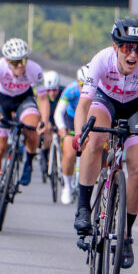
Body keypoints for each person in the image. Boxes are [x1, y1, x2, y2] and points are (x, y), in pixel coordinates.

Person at [73, 17, 138, 269]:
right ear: (116, 46)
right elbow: (84, 105)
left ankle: (126, 235)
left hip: (137, 107)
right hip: (106, 101)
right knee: (95, 138)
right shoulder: (101, 60)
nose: (132, 53)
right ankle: (84, 208)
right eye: (126, 47)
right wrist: (78, 135)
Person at [0, 38, 51, 216]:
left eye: (23, 61)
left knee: (32, 128)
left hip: (23, 100)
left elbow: (42, 98)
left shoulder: (34, 69)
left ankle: (28, 162)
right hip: (1, 101)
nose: (20, 66)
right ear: (7, 61)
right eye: (15, 63)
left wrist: (45, 121)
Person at [53, 66, 86, 205]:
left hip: (89, 119)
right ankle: (67, 186)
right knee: (69, 154)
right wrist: (62, 129)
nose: (85, 89)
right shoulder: (71, 90)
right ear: (78, 82)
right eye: (82, 85)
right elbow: (58, 112)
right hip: (71, 121)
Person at [40, 70, 62, 171]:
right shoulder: (41, 95)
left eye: (54, 90)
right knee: (47, 133)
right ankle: (44, 155)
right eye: (48, 90)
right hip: (47, 117)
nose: (52, 93)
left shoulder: (64, 92)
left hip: (60, 118)